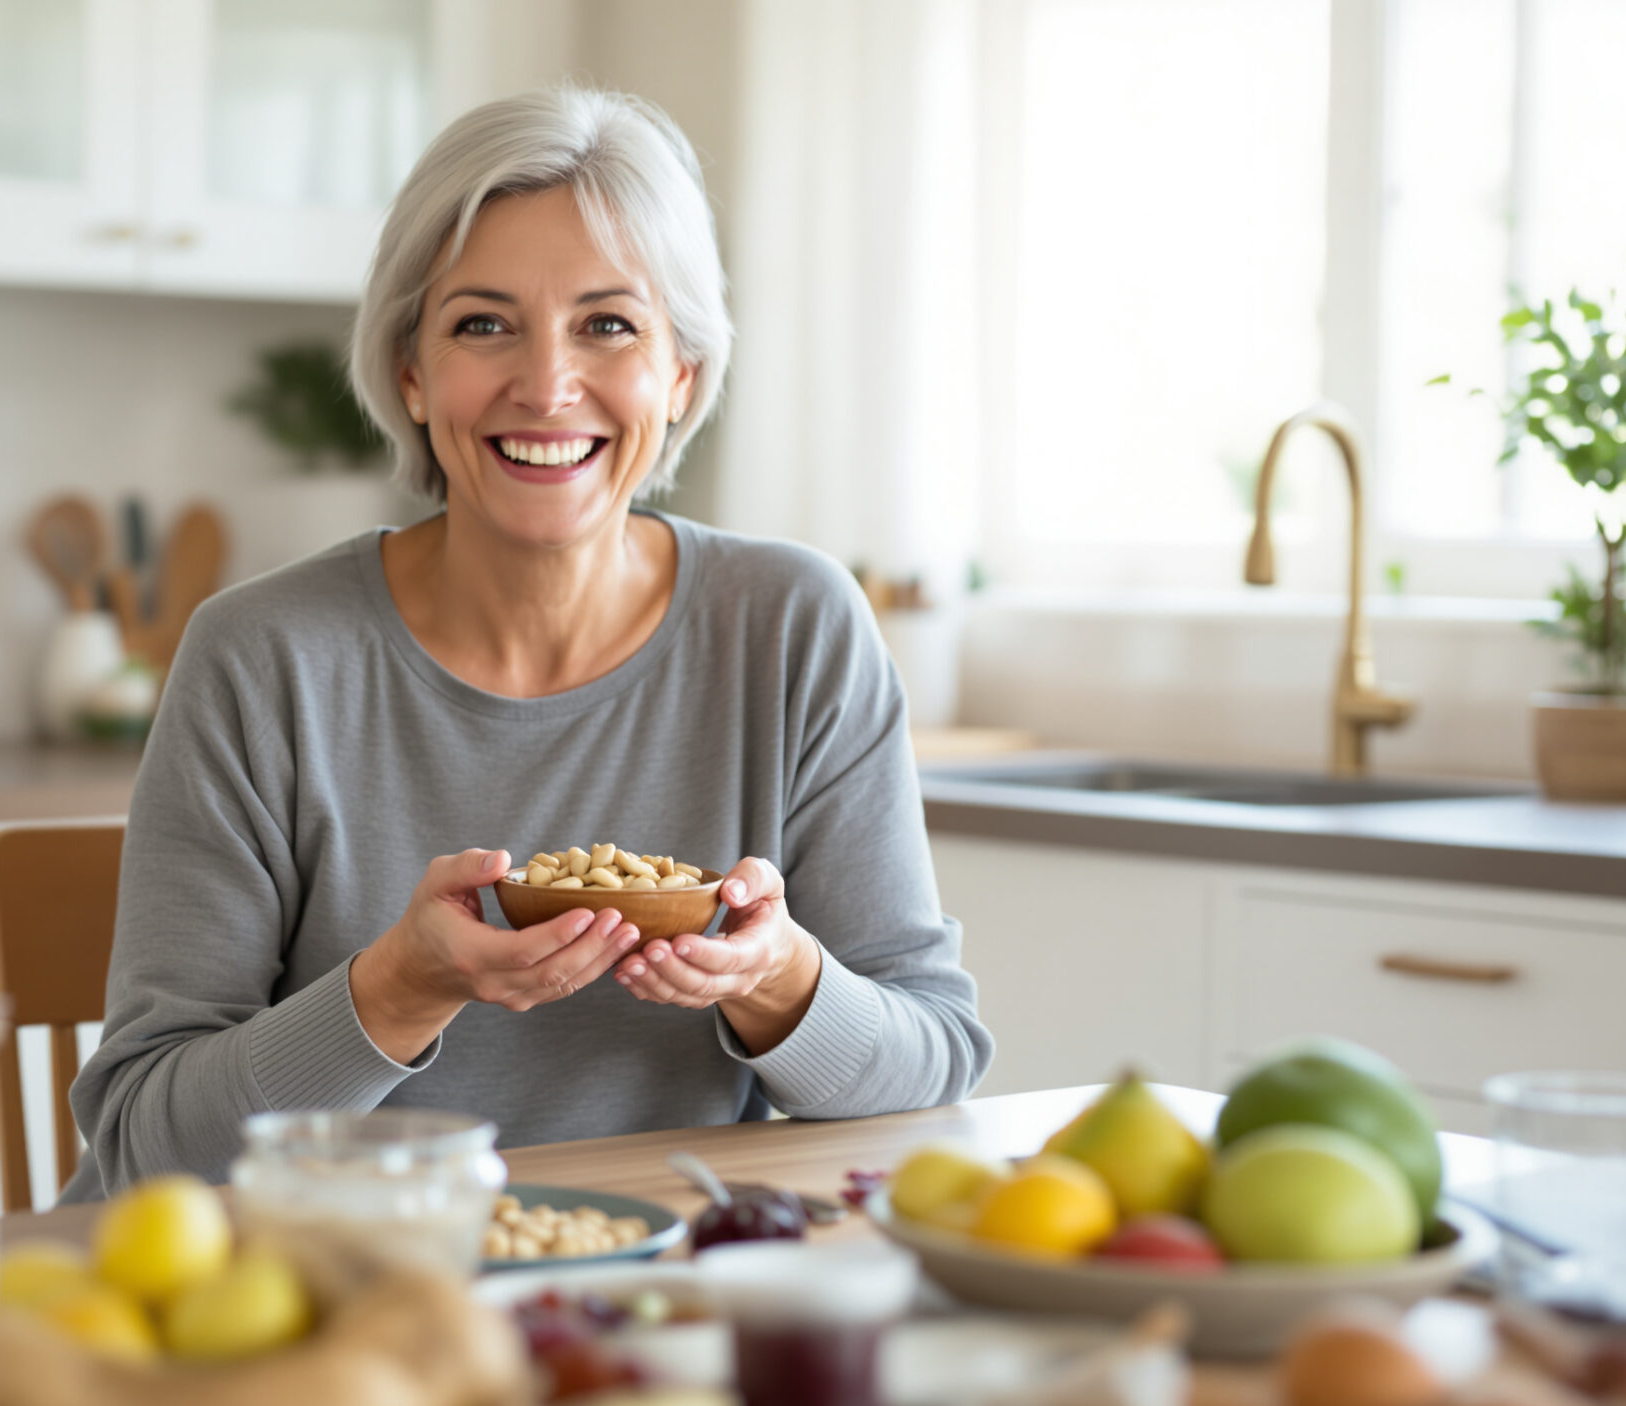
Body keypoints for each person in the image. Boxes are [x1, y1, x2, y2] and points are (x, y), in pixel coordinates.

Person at [63, 87, 989, 1197]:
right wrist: (396, 988)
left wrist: (777, 975)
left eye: (608, 323)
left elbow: (934, 1078)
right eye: (482, 323)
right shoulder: (261, 658)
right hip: (321, 1303)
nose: (547, 386)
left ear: (680, 373)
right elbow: (142, 1148)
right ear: (411, 371)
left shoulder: (793, 626)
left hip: (652, 1308)